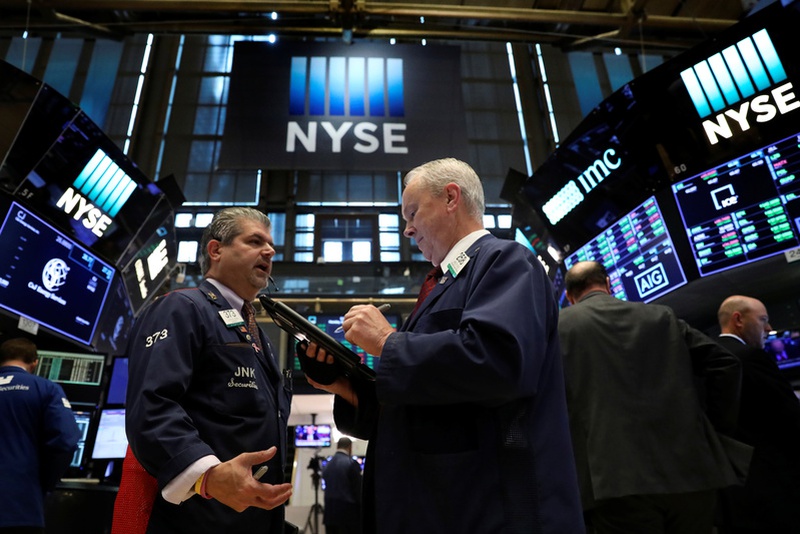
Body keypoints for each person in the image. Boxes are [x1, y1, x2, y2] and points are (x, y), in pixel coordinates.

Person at [303, 158, 585, 533]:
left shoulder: (504, 259)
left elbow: (497, 363)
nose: (407, 229)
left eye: (413, 212)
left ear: (452, 197)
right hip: (439, 506)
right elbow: (423, 402)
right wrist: (345, 385)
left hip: (490, 507)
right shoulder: (443, 283)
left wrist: (388, 342)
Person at [118, 207, 293, 534]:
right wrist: (208, 476)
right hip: (197, 517)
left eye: (271, 246)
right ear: (216, 250)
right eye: (255, 241)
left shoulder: (257, 335)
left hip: (249, 518)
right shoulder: (182, 307)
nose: (269, 251)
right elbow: (153, 405)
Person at [557, 261, 747, 534]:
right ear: (608, 284)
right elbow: (725, 364)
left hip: (613, 482)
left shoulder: (560, 328)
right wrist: (714, 433)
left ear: (570, 296)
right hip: (689, 472)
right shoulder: (662, 316)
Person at [716, 295, 800, 533]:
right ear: (738, 319)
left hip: (733, 493)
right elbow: (788, 416)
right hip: (774, 483)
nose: (769, 328)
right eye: (763, 320)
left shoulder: (706, 356)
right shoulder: (750, 357)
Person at [0, 337, 81, 533]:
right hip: (20, 507)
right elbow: (65, 441)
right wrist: (46, 482)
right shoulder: (45, 388)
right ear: (35, 362)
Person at [322, 437, 362, 534]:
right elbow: (358, 491)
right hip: (348, 515)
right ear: (350, 447)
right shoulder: (351, 463)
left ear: (337, 446)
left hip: (330, 513)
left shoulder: (327, 465)